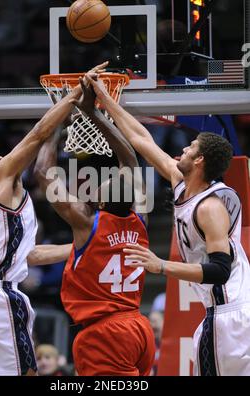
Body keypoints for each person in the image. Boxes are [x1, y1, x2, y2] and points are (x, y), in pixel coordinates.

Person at [86, 74, 250, 376]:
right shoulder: (181, 182)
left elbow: (219, 270)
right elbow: (141, 140)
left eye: (189, 148)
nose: (182, 151)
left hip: (230, 316)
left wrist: (160, 265)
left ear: (199, 160)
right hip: (224, 315)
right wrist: (106, 99)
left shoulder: (210, 207)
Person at [0, 62, 106, 376]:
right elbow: (36, 135)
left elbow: (30, 255)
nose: (1, 158)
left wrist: (84, 245)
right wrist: (73, 94)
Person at [34, 79, 155, 376]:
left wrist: (60, 116)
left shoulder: (88, 224)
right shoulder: (141, 219)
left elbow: (42, 173)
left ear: (100, 201)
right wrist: (96, 114)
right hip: (138, 326)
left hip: (106, 334)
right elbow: (129, 157)